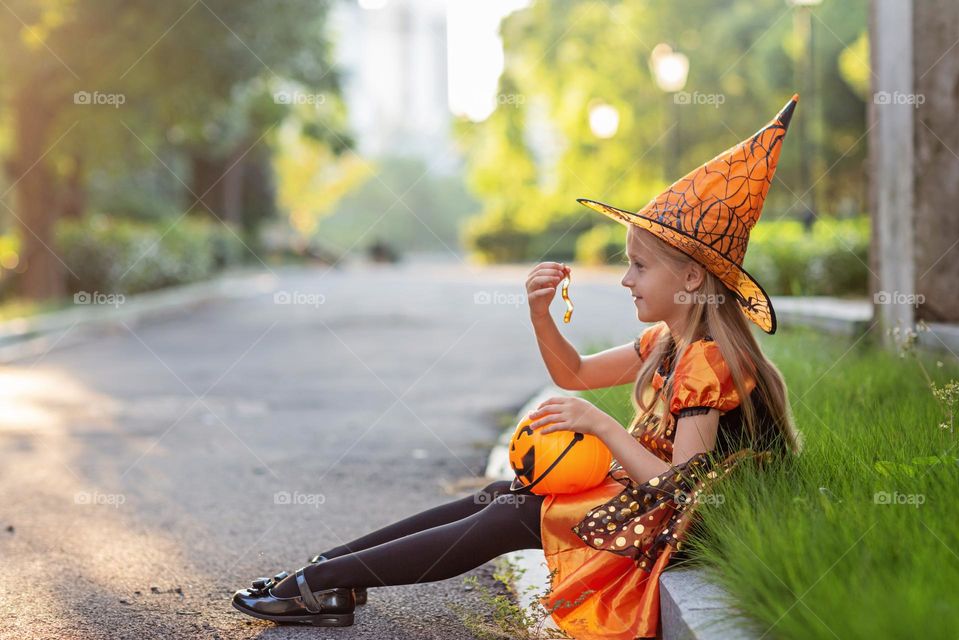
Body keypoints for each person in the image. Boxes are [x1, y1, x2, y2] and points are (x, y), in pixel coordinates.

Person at [231, 94, 804, 638]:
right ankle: (330, 571)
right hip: (647, 505)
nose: (626, 279)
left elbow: (678, 487)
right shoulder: (666, 341)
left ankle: (321, 582)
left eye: (637, 266)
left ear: (691, 278)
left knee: (512, 516)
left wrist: (600, 425)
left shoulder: (709, 362)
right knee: (506, 494)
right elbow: (574, 373)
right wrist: (540, 315)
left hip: (673, 526)